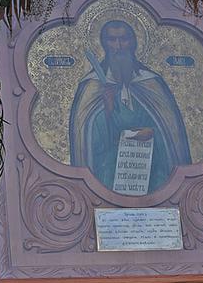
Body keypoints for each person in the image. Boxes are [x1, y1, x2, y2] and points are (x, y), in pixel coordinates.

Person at [69, 19, 192, 194]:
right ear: (104, 43)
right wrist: (108, 110)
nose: (118, 46)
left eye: (124, 39)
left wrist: (150, 132)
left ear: (133, 42)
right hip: (109, 171)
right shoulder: (92, 85)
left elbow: (169, 132)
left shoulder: (151, 82)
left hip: (151, 166)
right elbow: (86, 138)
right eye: (112, 40)